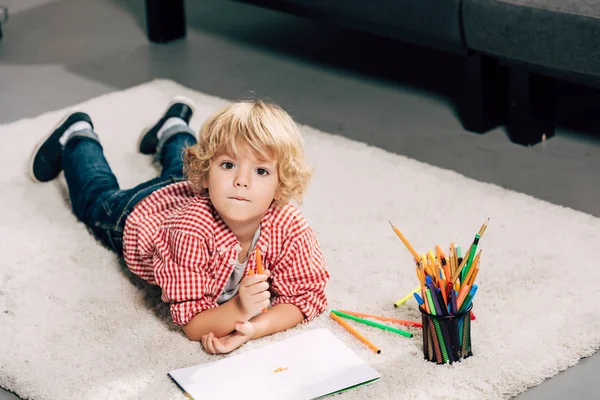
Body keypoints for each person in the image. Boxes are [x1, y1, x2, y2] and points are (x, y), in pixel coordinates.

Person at [30, 97, 330, 354]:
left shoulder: (289, 226)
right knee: (96, 197)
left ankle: (173, 126)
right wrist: (240, 309)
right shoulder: (189, 231)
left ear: (281, 185)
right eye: (228, 165)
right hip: (139, 212)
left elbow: (307, 296)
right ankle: (76, 135)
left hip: (191, 188)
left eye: (261, 170)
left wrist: (251, 328)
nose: (242, 180)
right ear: (208, 171)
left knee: (179, 168)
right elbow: (193, 323)